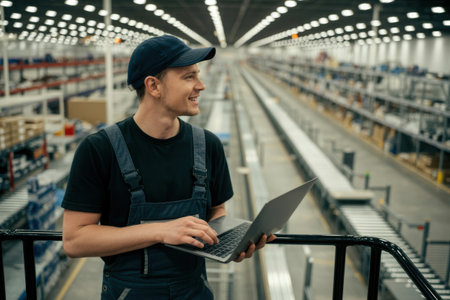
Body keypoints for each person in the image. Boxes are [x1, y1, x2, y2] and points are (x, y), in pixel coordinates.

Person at [62, 35, 275, 300]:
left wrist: (233, 241)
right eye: (189, 77)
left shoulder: (208, 145)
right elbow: (74, 240)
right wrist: (161, 230)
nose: (201, 85)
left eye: (198, 75)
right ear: (153, 86)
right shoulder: (99, 150)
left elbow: (217, 211)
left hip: (194, 290)